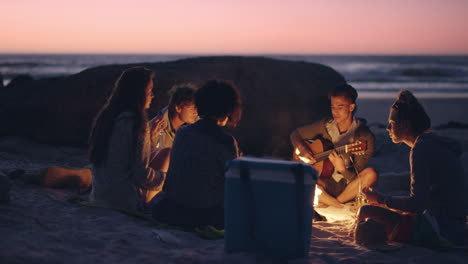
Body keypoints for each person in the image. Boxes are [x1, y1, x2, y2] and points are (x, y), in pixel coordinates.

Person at [358, 90, 466, 247]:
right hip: (454, 225)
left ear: (406, 125)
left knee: (366, 211)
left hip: (440, 230)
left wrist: (381, 199)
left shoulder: (421, 148)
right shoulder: (431, 143)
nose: (387, 128)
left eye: (392, 123)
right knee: (385, 210)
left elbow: (417, 204)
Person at [152, 80, 242, 229]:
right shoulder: (225, 141)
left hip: (171, 211)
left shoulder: (182, 133)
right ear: (228, 109)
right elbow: (231, 183)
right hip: (202, 215)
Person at [88, 66, 166, 211]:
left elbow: (121, 154)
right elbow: (141, 174)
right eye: (149, 91)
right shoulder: (136, 122)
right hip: (124, 201)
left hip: (99, 196)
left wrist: (150, 137)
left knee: (158, 156)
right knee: (166, 155)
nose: (152, 96)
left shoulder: (106, 117)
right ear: (138, 93)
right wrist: (168, 179)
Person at [290, 84, 377, 208]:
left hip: (346, 187)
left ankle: (335, 203)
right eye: (333, 107)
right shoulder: (325, 125)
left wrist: (342, 169)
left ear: (351, 107)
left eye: (340, 107)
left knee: (371, 174)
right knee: (300, 176)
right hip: (323, 181)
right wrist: (302, 149)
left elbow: (356, 178)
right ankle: (333, 203)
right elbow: (295, 134)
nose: (335, 112)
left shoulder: (364, 138)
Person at [148, 85, 198, 173]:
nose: (196, 112)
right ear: (178, 108)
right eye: (193, 108)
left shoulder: (193, 129)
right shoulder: (156, 127)